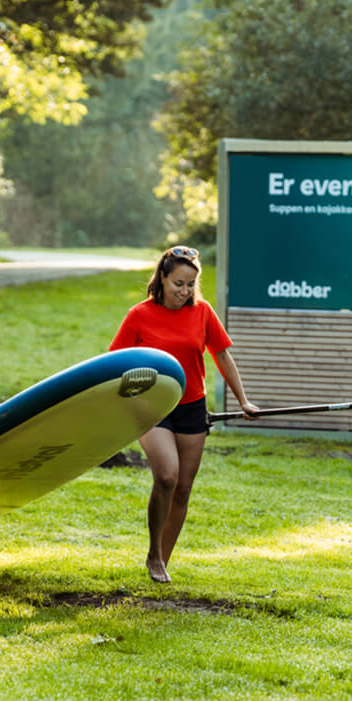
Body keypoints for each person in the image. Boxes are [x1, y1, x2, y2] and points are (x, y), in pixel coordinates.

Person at [109, 246, 258, 583]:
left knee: (183, 489)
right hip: (152, 406)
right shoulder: (139, 315)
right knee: (166, 476)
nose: (185, 291)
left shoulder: (202, 312)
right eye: (178, 283)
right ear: (161, 278)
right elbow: (114, 363)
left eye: (191, 284)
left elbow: (222, 357)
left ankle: (161, 560)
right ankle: (153, 553)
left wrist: (243, 401)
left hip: (192, 406)